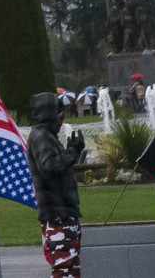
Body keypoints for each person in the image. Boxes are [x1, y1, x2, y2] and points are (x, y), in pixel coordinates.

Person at [31, 92, 89, 278]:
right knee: (64, 268)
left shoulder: (46, 135)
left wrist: (72, 151)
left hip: (62, 214)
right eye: (57, 112)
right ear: (48, 113)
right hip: (58, 215)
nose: (61, 118)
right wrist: (72, 150)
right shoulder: (41, 136)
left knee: (70, 267)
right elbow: (50, 167)